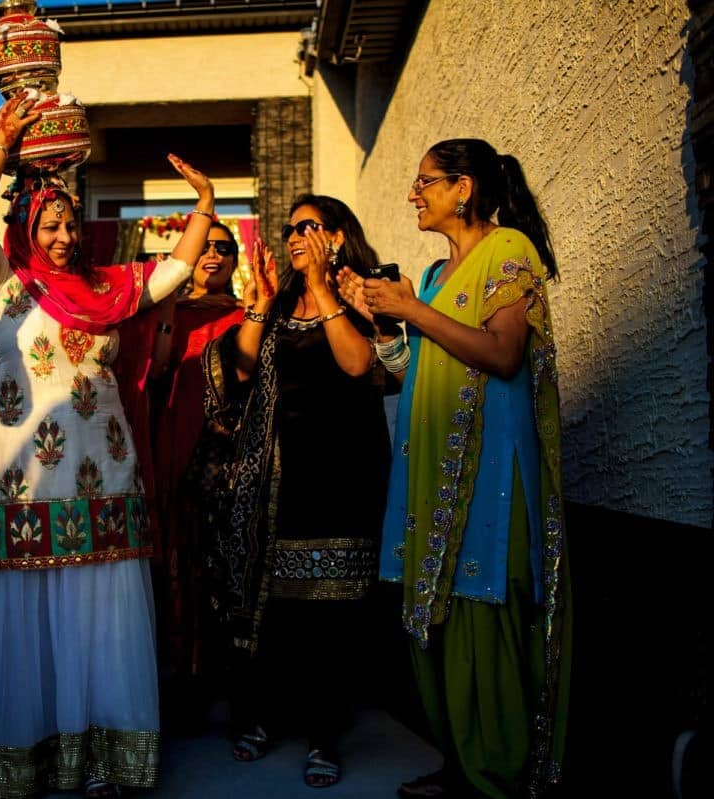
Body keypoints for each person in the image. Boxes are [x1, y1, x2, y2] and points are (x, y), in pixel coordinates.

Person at [0, 91, 215, 799]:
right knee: (18, 607)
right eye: (50, 224)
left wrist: (203, 205)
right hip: (18, 472)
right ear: (26, 228)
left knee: (95, 611)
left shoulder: (107, 289)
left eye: (72, 223)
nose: (65, 236)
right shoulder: (1, 283)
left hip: (103, 469)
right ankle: (17, 751)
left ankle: (98, 753)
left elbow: (171, 273)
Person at [337, 138, 572, 798]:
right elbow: (414, 373)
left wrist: (411, 309)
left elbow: (502, 354)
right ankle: (462, 767)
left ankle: (497, 777)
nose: (413, 194)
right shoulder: (438, 275)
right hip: (434, 478)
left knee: (484, 619)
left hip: (492, 477)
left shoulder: (508, 250)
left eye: (425, 182)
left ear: (463, 188)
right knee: (436, 626)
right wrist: (383, 325)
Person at [201, 195, 391, 788]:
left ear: (336, 236)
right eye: (289, 228)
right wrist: (259, 306)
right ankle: (264, 717)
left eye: (308, 227)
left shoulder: (364, 294)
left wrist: (324, 290)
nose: (293, 236)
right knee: (274, 607)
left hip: (342, 475)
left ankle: (324, 735)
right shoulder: (278, 303)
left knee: (330, 612)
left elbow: (360, 366)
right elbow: (238, 372)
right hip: (275, 478)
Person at [148, 220, 243, 731]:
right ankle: (185, 674)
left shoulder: (249, 315)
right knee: (180, 556)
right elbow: (155, 372)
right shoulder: (170, 312)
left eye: (224, 248)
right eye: (204, 247)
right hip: (176, 445)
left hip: (230, 453)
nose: (213, 255)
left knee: (225, 559)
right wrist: (168, 303)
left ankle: (229, 677)